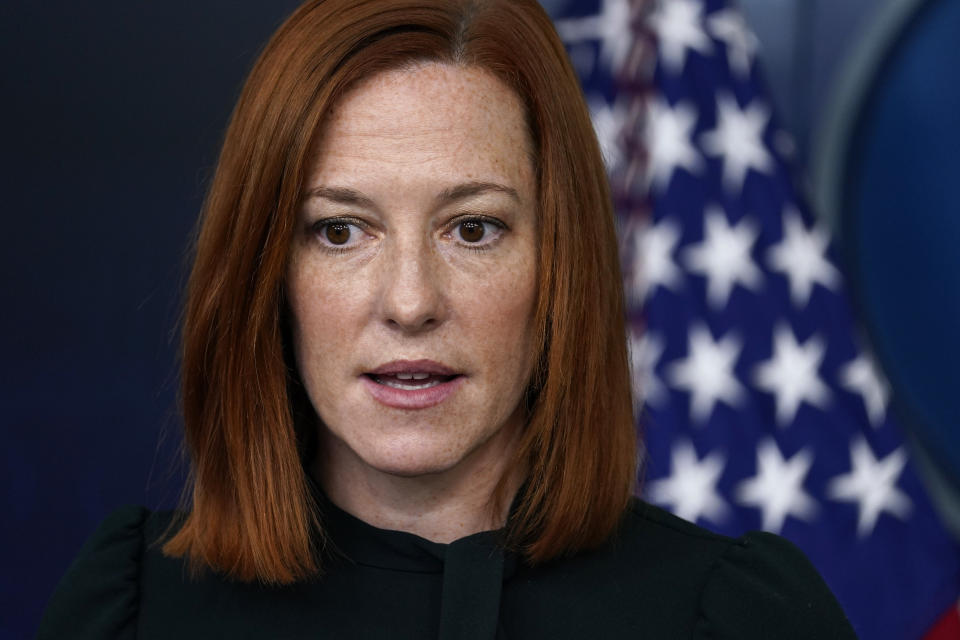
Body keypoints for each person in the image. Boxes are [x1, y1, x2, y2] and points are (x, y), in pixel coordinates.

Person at [37, 0, 857, 638]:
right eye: (340, 231)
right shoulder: (136, 612)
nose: (410, 302)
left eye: (473, 228)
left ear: (559, 266)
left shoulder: (735, 617)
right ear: (268, 276)